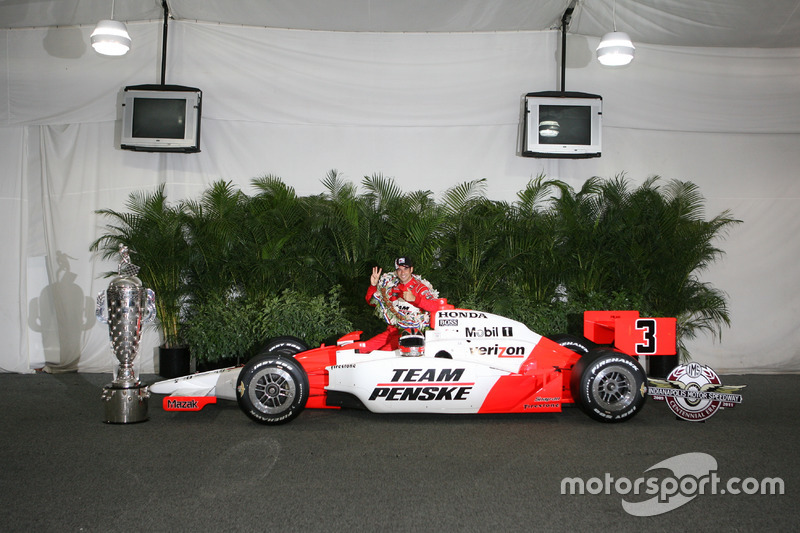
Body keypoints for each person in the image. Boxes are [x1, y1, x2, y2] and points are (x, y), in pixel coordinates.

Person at [361, 256, 443, 352]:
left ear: (411, 269)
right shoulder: (391, 287)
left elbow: (436, 307)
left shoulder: (420, 288)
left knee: (382, 353)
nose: (402, 272)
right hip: (392, 331)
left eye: (405, 269)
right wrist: (373, 286)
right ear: (396, 272)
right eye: (399, 269)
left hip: (410, 334)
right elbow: (372, 303)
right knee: (363, 349)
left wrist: (415, 299)